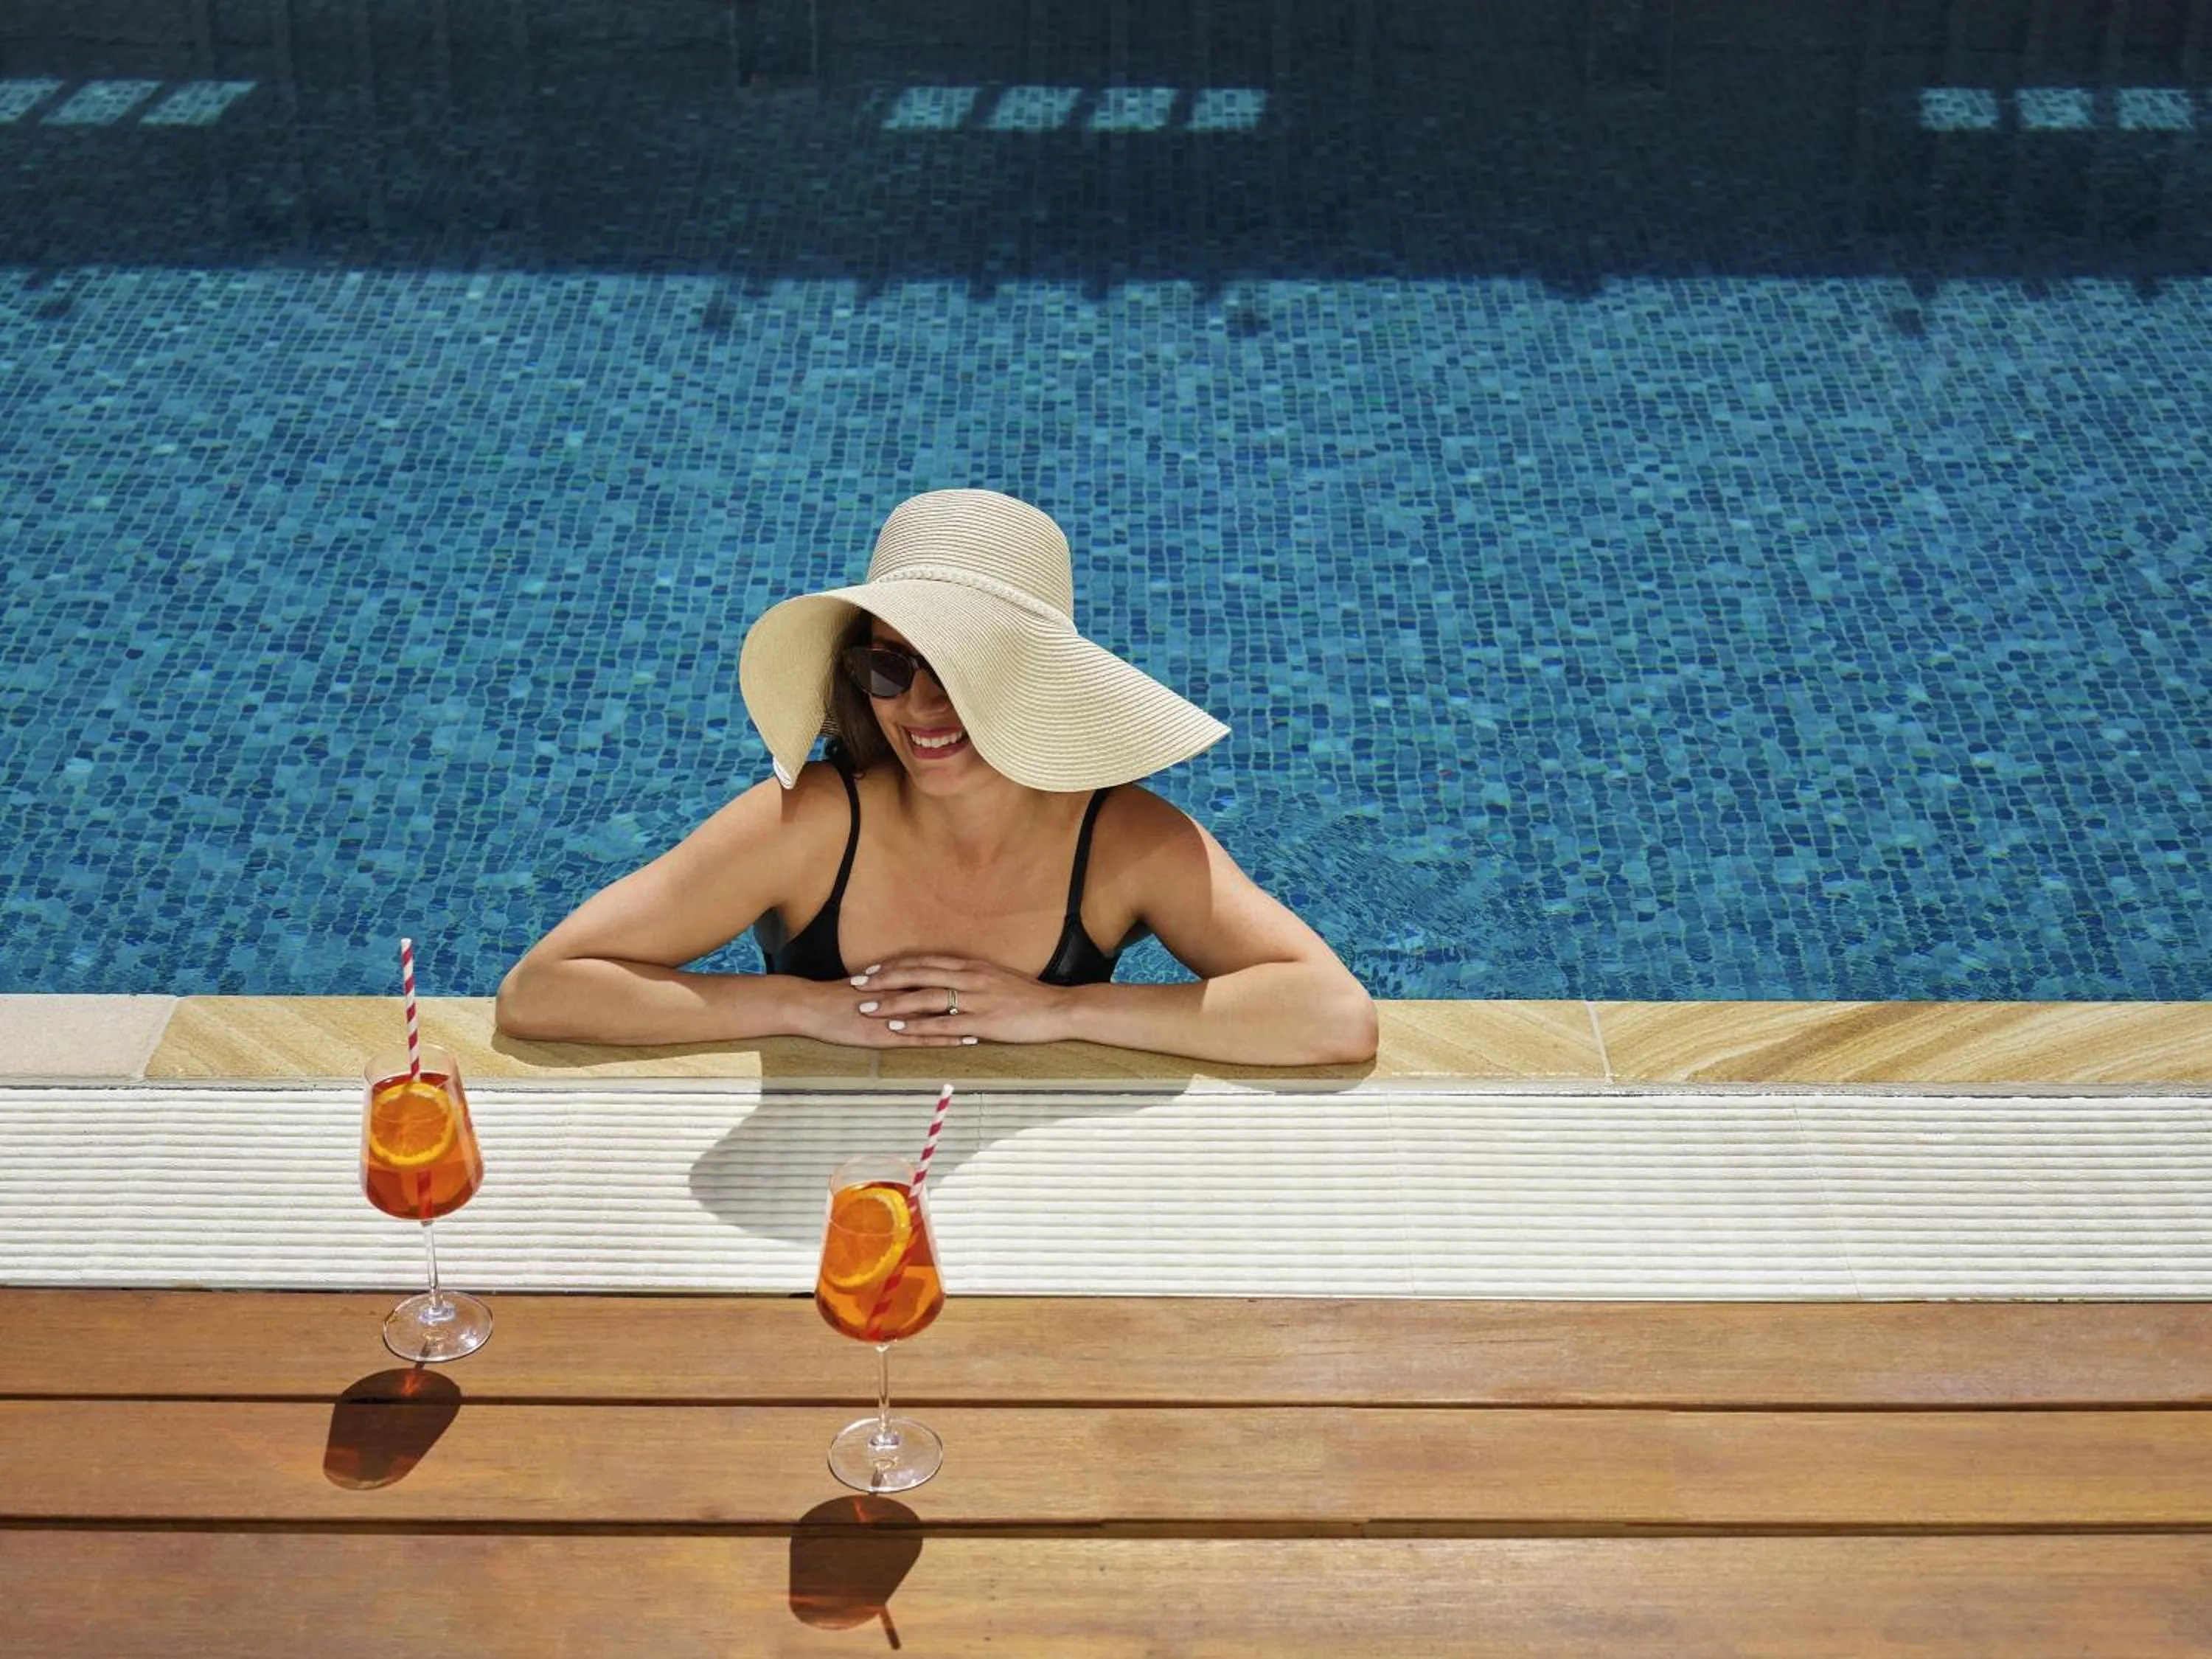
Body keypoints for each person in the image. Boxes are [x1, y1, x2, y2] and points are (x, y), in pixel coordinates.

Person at [495, 488, 1377, 1065]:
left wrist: (1057, 1013)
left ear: (1036, 678)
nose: (919, 706)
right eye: (889, 667)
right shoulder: (806, 828)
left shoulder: (1126, 842)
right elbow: (543, 990)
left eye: (958, 669)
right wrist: (800, 1007)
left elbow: (1334, 1015)